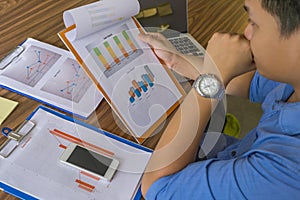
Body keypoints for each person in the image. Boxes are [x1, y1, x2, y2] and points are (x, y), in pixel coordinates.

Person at [138, 0, 300, 199]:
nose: (246, 33)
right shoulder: (293, 78)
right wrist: (179, 60)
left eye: (254, 23)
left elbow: (157, 187)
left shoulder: (283, 172)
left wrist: (211, 78)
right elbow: (248, 83)